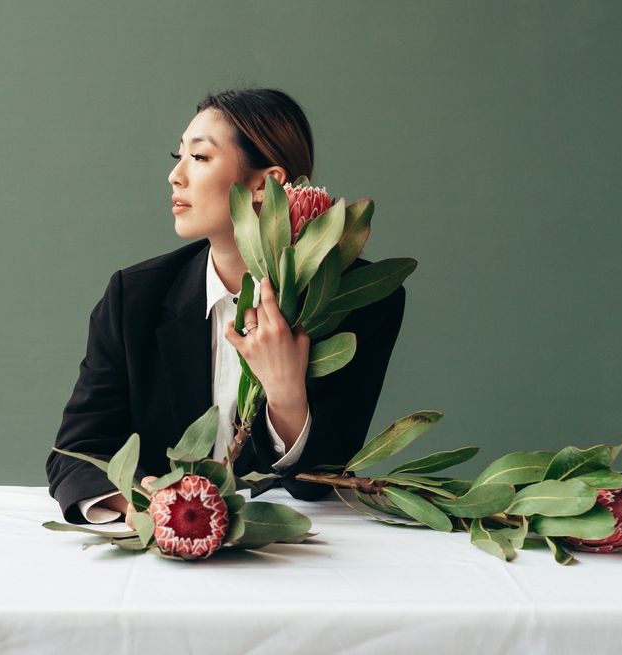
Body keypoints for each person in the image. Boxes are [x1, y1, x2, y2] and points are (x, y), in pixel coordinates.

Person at [46, 88, 406, 527]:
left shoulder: (360, 301)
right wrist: (160, 508)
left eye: (199, 158)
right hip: (164, 550)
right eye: (177, 156)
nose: (175, 176)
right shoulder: (134, 298)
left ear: (265, 185)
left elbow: (317, 483)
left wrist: (285, 393)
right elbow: (77, 454)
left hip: (298, 555)